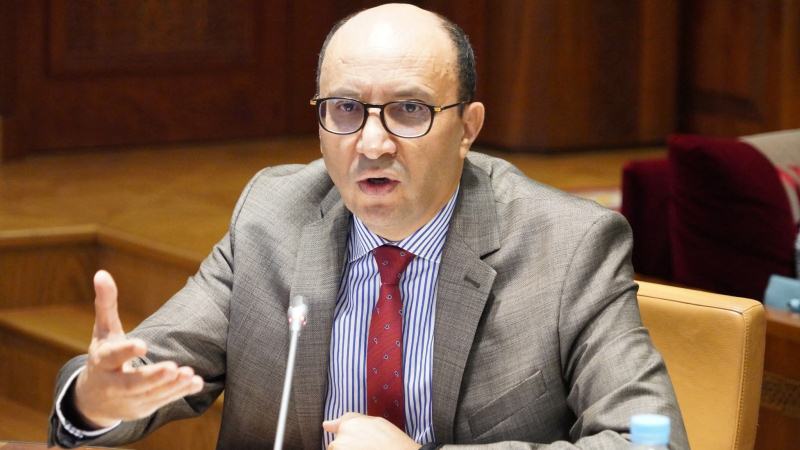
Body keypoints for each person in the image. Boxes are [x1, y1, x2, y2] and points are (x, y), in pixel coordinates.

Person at [49, 3, 689, 449]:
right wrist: (94, 401)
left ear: (467, 128)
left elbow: (647, 439)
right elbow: (145, 370)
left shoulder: (568, 246)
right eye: (346, 109)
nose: (372, 144)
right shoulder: (273, 215)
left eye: (409, 110)